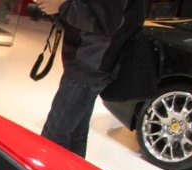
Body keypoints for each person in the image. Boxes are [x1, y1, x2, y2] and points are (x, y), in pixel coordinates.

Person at [37, 0, 146, 157]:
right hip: (89, 61)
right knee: (74, 134)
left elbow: (107, 22)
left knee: (54, 137)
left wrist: (62, 6)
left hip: (91, 63)